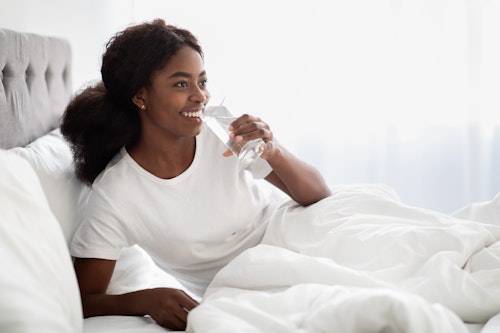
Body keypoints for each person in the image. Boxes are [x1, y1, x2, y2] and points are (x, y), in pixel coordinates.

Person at [61, 18, 331, 330]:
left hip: (299, 238)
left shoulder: (220, 128)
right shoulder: (116, 195)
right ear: (140, 96)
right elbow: (83, 297)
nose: (200, 96)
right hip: (243, 288)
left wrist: (273, 150)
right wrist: (145, 299)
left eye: (201, 82)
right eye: (181, 84)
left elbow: (317, 194)